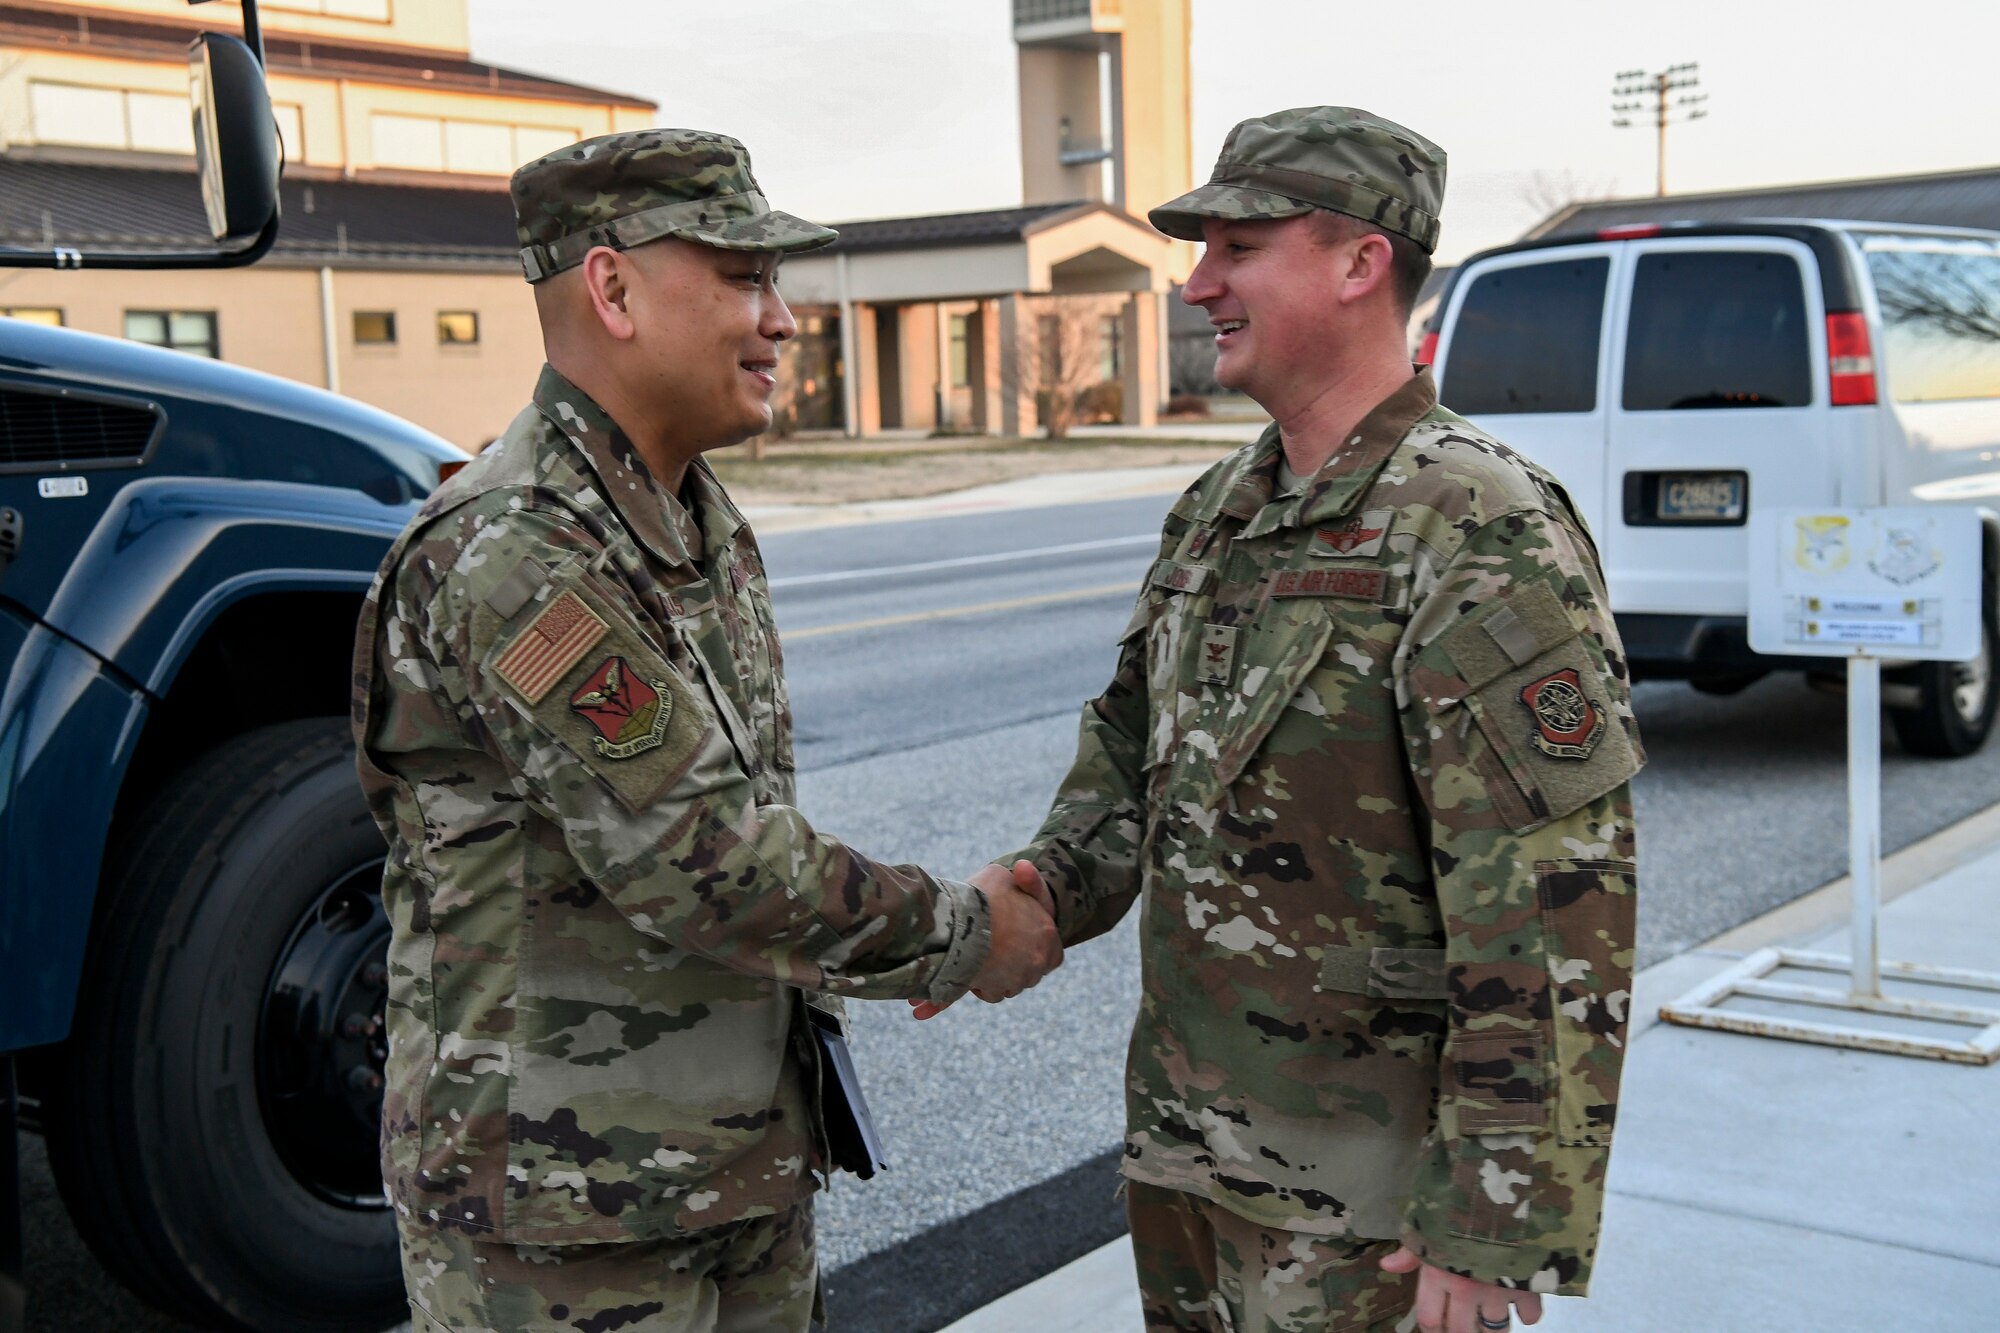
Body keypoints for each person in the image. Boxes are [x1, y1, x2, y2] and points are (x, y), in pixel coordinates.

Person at [351, 128, 1063, 1333]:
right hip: (566, 1221)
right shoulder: (520, 548)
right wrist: (964, 931)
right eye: (742, 277)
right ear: (611, 287)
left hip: (724, 1172)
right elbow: (712, 863)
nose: (781, 318)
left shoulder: (691, 515)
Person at [969, 107, 1642, 1333]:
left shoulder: (1478, 524)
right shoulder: (1218, 509)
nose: (1196, 282)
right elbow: (1129, 760)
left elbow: (1554, 909)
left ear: (1356, 261)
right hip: (1187, 1151)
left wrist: (1494, 1218)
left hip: (1369, 1209)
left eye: (1236, 246)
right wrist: (1036, 896)